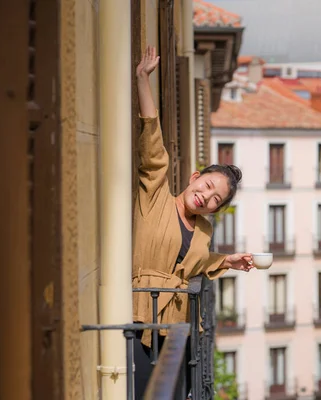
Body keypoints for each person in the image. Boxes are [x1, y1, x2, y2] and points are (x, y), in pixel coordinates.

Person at [132, 45, 253, 399]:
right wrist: (142, 80)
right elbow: (153, 146)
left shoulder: (204, 230)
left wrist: (228, 261)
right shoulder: (156, 196)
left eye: (215, 200)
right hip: (140, 316)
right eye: (207, 186)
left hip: (177, 330)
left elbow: (195, 265)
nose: (206, 196)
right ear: (195, 176)